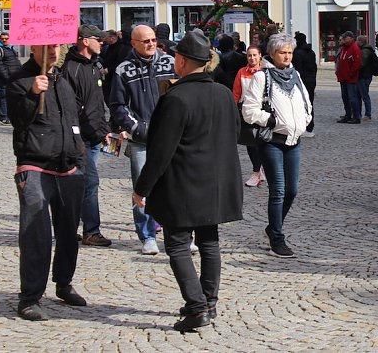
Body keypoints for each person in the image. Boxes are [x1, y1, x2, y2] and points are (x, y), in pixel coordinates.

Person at [133, 29, 243, 332]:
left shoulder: (176, 98)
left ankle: (197, 308)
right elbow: (235, 134)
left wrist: (142, 188)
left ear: (181, 61)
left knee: (178, 244)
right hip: (217, 181)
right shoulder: (222, 93)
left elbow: (160, 151)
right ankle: (209, 301)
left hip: (183, 183)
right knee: (209, 241)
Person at [9, 44, 88, 321]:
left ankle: (64, 283)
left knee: (69, 233)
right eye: (47, 46)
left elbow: (73, 119)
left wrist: (80, 158)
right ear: (34, 47)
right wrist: (31, 94)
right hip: (35, 166)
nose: (53, 51)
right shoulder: (20, 79)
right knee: (36, 235)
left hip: (68, 168)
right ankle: (30, 297)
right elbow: (17, 119)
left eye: (56, 45)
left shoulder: (62, 79)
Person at [242, 33, 313, 258]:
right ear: (272, 54)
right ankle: (277, 238)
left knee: (292, 191)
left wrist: (305, 120)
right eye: (283, 52)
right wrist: (270, 120)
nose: (287, 56)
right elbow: (249, 110)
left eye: (290, 52)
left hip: (294, 141)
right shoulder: (262, 77)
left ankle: (273, 227)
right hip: (272, 141)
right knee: (279, 191)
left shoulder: (296, 75)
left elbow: (306, 102)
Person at [108, 24, 176, 255]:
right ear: (134, 43)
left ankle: (177, 235)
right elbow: (117, 106)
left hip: (170, 138)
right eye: (145, 41)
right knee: (142, 188)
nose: (150, 44)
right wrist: (137, 128)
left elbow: (181, 97)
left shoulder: (170, 63)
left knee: (174, 186)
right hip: (141, 140)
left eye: (153, 40)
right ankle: (147, 236)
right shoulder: (123, 70)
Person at [61, 25, 113, 247]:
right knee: (89, 183)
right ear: (83, 41)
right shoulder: (71, 69)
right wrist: (75, 137)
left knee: (79, 185)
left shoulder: (94, 66)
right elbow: (69, 108)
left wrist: (104, 130)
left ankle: (68, 228)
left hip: (94, 136)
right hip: (78, 138)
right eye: (97, 39)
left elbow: (96, 105)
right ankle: (91, 231)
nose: (101, 43)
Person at [234, 45, 267, 187]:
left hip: (261, 111)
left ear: (260, 56)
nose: (252, 58)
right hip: (246, 112)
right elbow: (236, 92)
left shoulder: (265, 72)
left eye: (254, 55)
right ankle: (259, 171)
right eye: (249, 55)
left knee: (260, 143)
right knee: (250, 143)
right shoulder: (242, 72)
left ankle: (256, 172)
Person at [292, 32, 317, 137]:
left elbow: (297, 69)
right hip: (311, 80)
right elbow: (314, 67)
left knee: (300, 104)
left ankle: (302, 126)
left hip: (302, 80)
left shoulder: (297, 53)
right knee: (309, 103)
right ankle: (310, 126)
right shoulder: (311, 52)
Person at [335, 31, 362, 124]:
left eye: (345, 38)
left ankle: (356, 116)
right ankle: (348, 115)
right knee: (345, 97)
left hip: (350, 79)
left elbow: (357, 64)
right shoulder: (343, 48)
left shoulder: (354, 48)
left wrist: (350, 74)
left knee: (352, 98)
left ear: (350, 38)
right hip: (343, 78)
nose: (343, 40)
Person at [0, 31, 21, 124]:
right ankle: (4, 117)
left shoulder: (11, 48)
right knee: (4, 97)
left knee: (11, 96)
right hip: (3, 79)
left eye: (6, 38)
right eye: (2, 39)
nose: (4, 40)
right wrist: (6, 76)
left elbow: (15, 62)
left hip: (13, 76)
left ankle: (10, 114)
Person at [357, 35, 378, 121]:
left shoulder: (365, 51)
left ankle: (367, 114)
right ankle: (359, 113)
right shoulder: (367, 50)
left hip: (364, 76)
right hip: (366, 75)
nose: (356, 42)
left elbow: (362, 64)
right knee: (362, 95)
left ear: (361, 42)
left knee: (364, 95)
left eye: (357, 40)